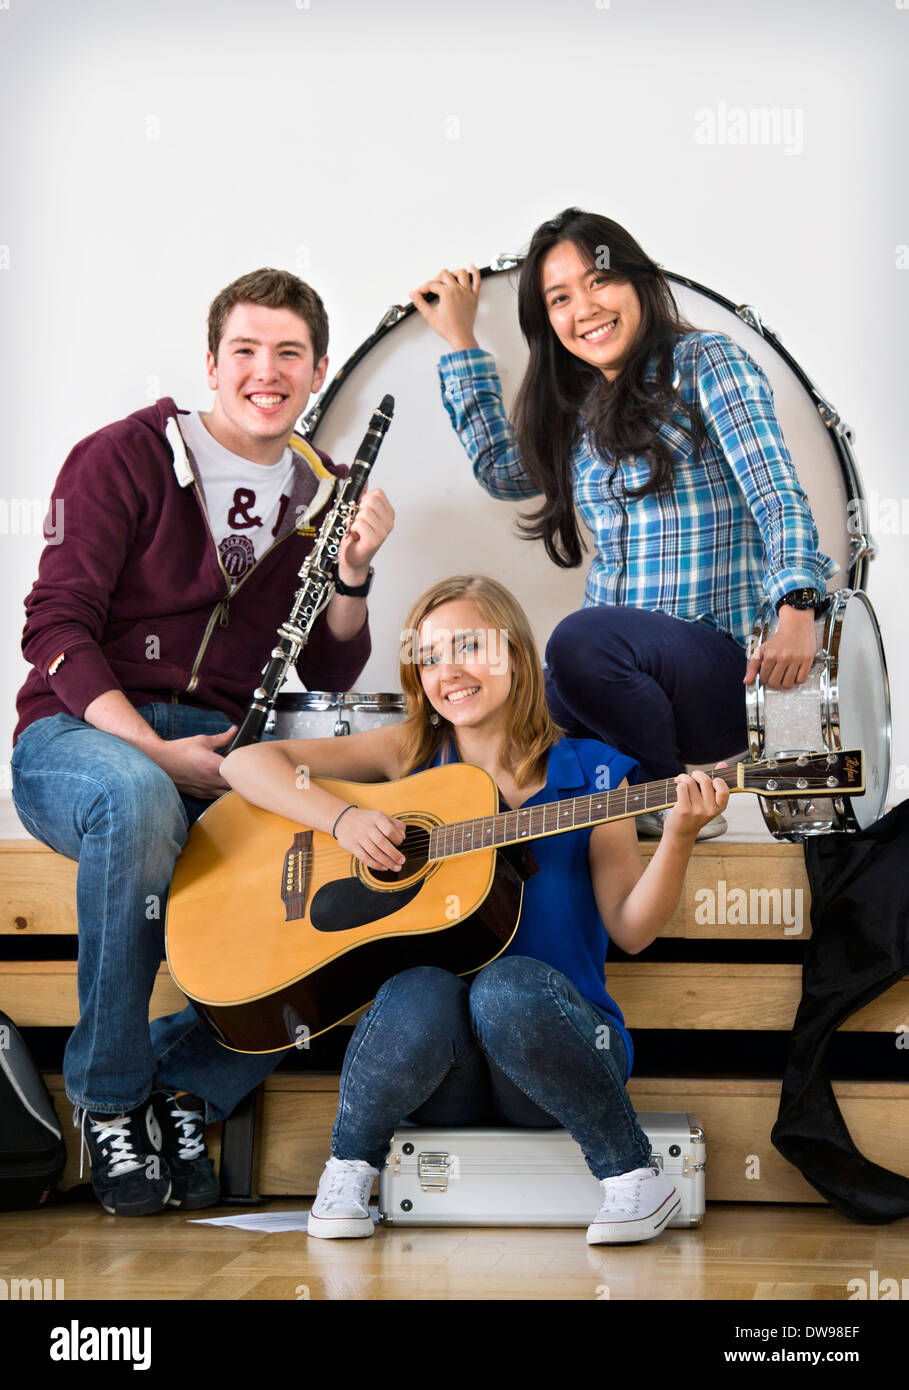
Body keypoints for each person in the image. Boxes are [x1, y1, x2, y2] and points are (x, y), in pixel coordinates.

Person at [10, 267, 395, 1217]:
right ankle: (109, 1102)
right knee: (137, 799)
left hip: (229, 751)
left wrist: (350, 576)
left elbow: (330, 676)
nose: (267, 372)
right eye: (247, 352)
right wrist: (150, 748)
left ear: (317, 372)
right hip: (81, 736)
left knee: (350, 863)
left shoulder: (326, 491)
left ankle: (190, 1081)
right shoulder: (121, 457)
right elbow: (54, 628)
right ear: (211, 364)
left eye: (289, 355)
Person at [221, 574, 729, 1244]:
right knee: (420, 989)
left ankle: (634, 1179)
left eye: (467, 646)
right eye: (428, 657)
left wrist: (679, 836)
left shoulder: (599, 771)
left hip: (560, 1056)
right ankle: (347, 1172)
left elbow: (630, 932)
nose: (447, 671)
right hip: (441, 1071)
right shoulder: (408, 754)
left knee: (507, 988)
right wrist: (342, 819)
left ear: (514, 654)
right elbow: (246, 765)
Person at [409, 208, 836, 839]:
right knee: (517, 706)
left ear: (637, 280)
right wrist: (461, 343)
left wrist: (799, 606)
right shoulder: (578, 409)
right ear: (548, 321)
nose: (584, 308)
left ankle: (666, 799)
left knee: (579, 642)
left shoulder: (705, 361)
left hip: (719, 669)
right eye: (560, 298)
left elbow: (775, 490)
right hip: (618, 687)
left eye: (598, 280)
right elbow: (503, 471)